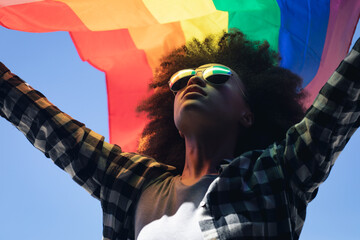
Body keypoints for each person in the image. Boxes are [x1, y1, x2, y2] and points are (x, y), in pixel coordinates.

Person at [0, 31, 359, 240]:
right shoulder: (134, 184)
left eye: (218, 75)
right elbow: (49, 126)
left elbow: (344, 95)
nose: (194, 81)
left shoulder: (275, 175)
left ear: (248, 114)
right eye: (181, 80)